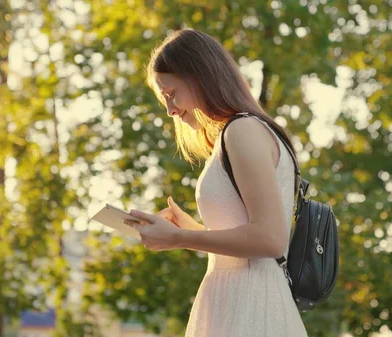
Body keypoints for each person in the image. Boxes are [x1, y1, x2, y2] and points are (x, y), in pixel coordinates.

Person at [124, 29, 308, 337]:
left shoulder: (242, 131)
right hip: (238, 302)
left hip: (250, 308)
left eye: (171, 94)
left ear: (200, 77)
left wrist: (179, 239)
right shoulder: (236, 134)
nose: (170, 110)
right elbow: (244, 245)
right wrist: (189, 231)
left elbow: (270, 240)